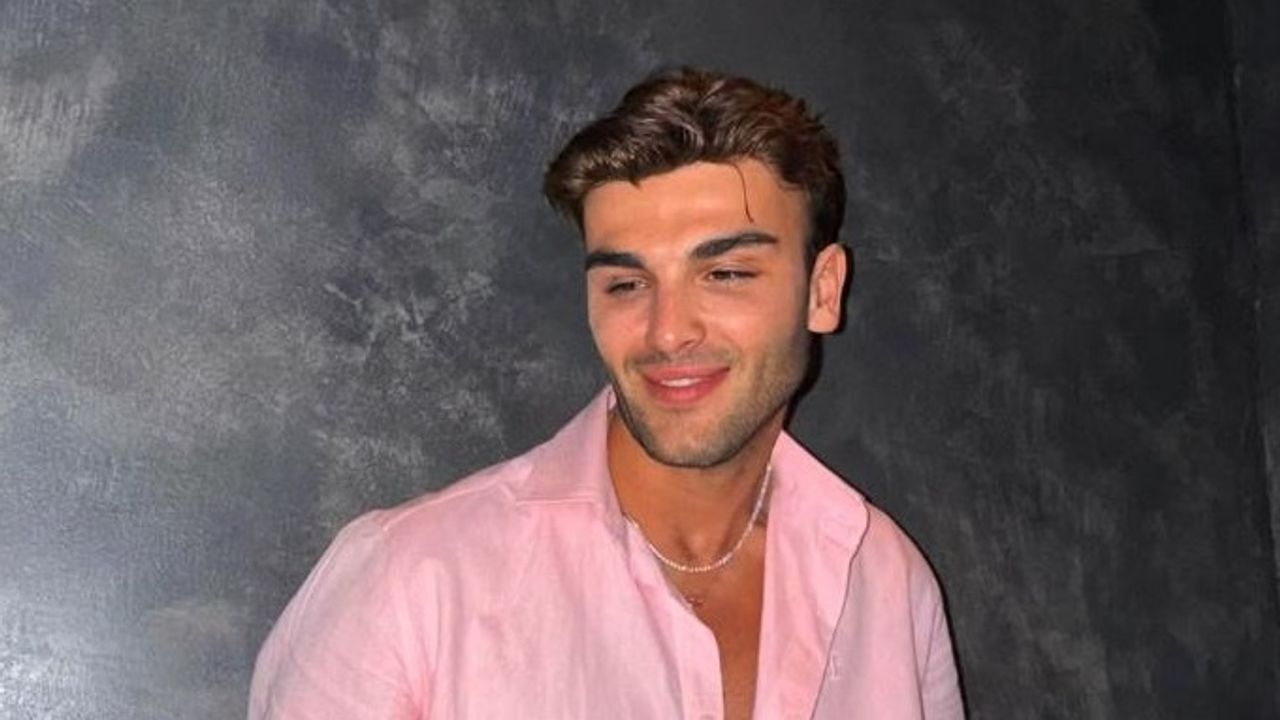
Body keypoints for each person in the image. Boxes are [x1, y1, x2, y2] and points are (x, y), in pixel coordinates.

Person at [249, 67, 964, 720]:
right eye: (626, 283)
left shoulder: (885, 582)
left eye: (725, 274)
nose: (668, 331)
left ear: (823, 291)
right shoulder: (408, 586)